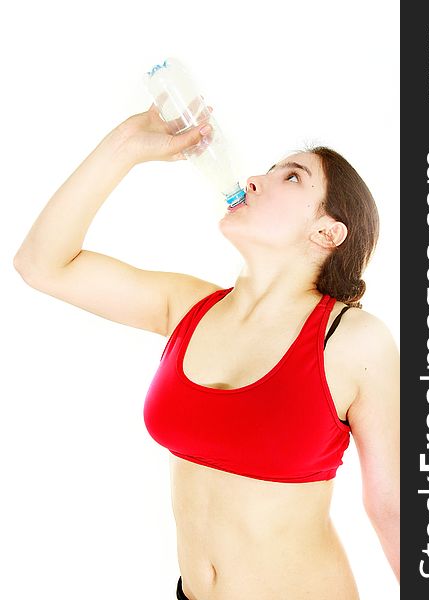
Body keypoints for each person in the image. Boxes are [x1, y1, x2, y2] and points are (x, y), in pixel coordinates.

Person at [13, 102, 400, 600]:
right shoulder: (187, 307)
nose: (255, 179)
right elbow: (40, 265)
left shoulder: (351, 338)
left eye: (292, 178)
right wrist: (128, 142)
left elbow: (392, 506)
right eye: (268, 169)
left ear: (327, 232)